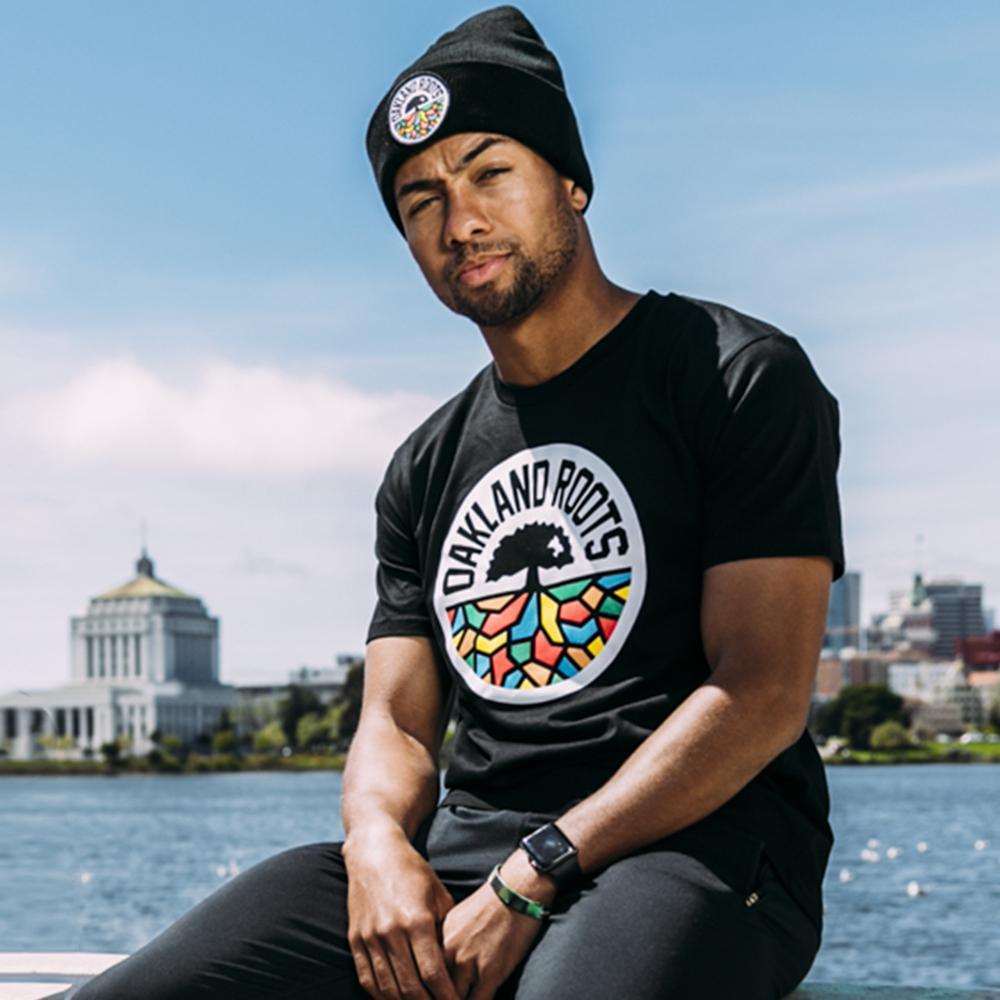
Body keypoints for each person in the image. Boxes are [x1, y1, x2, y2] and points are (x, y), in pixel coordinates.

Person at [72, 6, 844, 999]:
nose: (459, 219)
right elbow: (394, 721)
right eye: (420, 199)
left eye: (489, 171)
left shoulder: (733, 376)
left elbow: (761, 692)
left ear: (569, 180)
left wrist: (540, 869)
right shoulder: (424, 464)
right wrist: (375, 848)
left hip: (699, 848)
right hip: (463, 859)